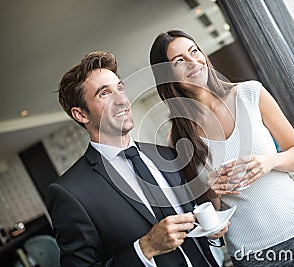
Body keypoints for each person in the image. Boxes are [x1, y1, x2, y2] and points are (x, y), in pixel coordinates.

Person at [149, 30, 294, 266]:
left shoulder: (250, 93)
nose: (193, 62)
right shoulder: (179, 136)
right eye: (179, 61)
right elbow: (211, 211)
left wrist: (269, 161)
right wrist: (212, 191)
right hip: (251, 253)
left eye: (194, 51)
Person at [46, 51, 228, 267]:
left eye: (120, 88)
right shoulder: (69, 193)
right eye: (104, 94)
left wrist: (212, 222)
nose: (122, 100)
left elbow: (194, 223)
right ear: (81, 114)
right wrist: (146, 248)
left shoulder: (166, 155)